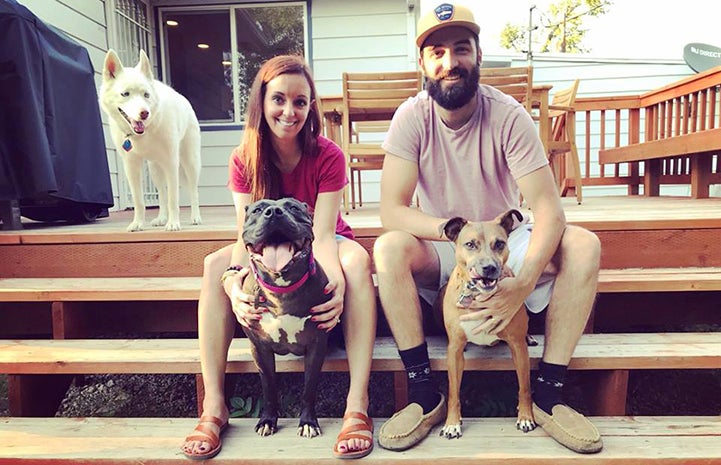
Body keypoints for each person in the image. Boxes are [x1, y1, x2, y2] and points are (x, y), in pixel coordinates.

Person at [373, 3, 603, 455]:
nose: (450, 62)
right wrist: (451, 231)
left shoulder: (508, 115)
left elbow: (548, 210)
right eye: (437, 52)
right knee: (387, 248)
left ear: (478, 55)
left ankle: (549, 394)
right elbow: (392, 211)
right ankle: (424, 392)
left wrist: (525, 280)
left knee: (583, 244)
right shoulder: (411, 118)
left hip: (504, 243)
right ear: (422, 63)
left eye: (462, 49)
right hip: (445, 243)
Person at [181, 55, 377, 460]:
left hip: (322, 241)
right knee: (213, 266)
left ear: (311, 108)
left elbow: (323, 234)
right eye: (280, 100)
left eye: (301, 102)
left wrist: (335, 284)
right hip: (266, 245)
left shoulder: (327, 155)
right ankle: (214, 405)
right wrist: (234, 283)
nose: (290, 112)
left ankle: (356, 405)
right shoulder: (243, 159)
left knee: (357, 261)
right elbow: (244, 237)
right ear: (262, 102)